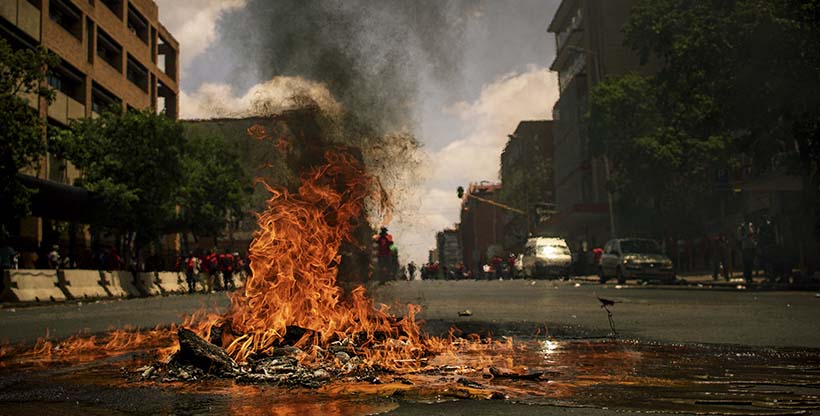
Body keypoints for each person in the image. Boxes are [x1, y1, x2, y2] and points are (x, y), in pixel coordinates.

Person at [737, 218, 756, 283]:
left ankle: (750, 277)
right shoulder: (741, 228)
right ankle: (748, 277)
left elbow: (753, 235)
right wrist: (746, 236)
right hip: (746, 247)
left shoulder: (751, 226)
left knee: (751, 263)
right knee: (747, 263)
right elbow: (739, 238)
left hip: (752, 246)